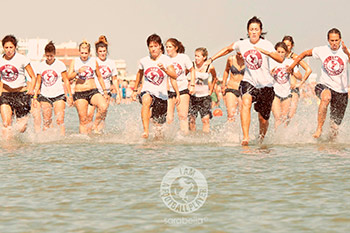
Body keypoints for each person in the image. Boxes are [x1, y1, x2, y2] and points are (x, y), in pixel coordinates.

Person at [205, 16, 283, 145]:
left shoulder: (266, 44)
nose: (253, 32)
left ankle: (261, 139)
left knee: (263, 119)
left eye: (256, 29)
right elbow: (227, 49)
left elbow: (280, 59)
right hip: (249, 81)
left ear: (260, 31)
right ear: (248, 31)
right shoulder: (242, 44)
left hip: (266, 85)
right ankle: (245, 138)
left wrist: (266, 52)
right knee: (246, 101)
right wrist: (212, 59)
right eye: (251, 29)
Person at [287, 28, 350, 139]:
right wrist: (292, 66)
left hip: (341, 91)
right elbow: (304, 54)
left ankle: (331, 147)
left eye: (336, 40)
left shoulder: (346, 51)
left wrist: (347, 53)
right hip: (324, 85)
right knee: (326, 97)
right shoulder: (322, 50)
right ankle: (319, 128)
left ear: (340, 40)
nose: (334, 43)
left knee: (334, 129)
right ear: (328, 40)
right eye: (332, 40)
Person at [132, 34, 179, 139]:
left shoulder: (166, 60)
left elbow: (174, 75)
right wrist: (135, 90)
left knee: (158, 128)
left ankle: (158, 142)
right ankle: (145, 131)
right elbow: (139, 74)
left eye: (155, 46)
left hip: (162, 96)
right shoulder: (144, 61)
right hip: (147, 90)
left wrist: (165, 70)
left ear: (160, 47)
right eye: (151, 46)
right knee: (146, 100)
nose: (153, 49)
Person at [0, 35, 37, 139]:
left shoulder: (22, 59)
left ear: (15, 47)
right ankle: (8, 147)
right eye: (6, 47)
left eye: (11, 47)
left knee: (21, 127)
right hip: (5, 94)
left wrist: (31, 89)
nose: (9, 50)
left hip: (21, 94)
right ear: (3, 48)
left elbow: (33, 76)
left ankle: (15, 139)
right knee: (7, 123)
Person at [67, 40, 108, 134]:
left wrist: (105, 92)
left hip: (93, 90)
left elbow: (99, 77)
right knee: (83, 119)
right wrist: (77, 72)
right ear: (79, 52)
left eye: (86, 53)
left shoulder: (93, 61)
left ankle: (95, 125)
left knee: (103, 106)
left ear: (89, 53)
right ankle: (84, 142)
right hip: (80, 92)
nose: (84, 55)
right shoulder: (75, 61)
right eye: (82, 53)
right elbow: (68, 77)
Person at [261, 42, 302, 128]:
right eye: (278, 52)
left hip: (287, 94)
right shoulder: (270, 61)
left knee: (284, 118)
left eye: (282, 52)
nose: (280, 54)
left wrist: (291, 71)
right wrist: (270, 73)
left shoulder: (290, 62)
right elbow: (263, 75)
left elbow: (300, 77)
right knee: (277, 117)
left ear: (286, 52)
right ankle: (277, 139)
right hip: (275, 93)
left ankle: (283, 139)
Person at [35, 41, 73, 135]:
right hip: (45, 96)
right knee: (47, 121)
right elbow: (38, 82)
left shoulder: (60, 65)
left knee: (60, 120)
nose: (49, 58)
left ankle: (61, 140)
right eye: (47, 55)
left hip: (59, 95)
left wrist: (69, 95)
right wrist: (35, 97)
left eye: (51, 55)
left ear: (54, 54)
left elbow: (66, 81)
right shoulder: (41, 65)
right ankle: (46, 141)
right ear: (45, 54)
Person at [87, 36, 121, 132]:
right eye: (100, 51)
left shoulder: (111, 63)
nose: (102, 53)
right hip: (93, 91)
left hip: (106, 92)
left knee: (102, 115)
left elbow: (114, 79)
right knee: (89, 114)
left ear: (107, 51)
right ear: (97, 52)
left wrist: (118, 93)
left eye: (104, 51)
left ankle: (98, 134)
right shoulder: (93, 61)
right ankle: (89, 133)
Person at [165, 38, 195, 135]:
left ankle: (185, 136)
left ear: (176, 48)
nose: (168, 49)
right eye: (166, 47)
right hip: (169, 90)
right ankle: (170, 137)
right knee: (169, 118)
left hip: (182, 88)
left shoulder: (183, 57)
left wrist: (192, 84)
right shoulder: (164, 59)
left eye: (170, 47)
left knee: (182, 116)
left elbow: (192, 70)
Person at [282, 36, 312, 121]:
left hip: (293, 89)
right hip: (281, 89)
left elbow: (305, 72)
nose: (286, 47)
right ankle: (280, 133)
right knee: (281, 116)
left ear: (292, 46)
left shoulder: (295, 57)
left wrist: (300, 82)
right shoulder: (279, 56)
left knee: (291, 115)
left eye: (288, 45)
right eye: (284, 45)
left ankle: (289, 132)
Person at [189, 47, 217, 133]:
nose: (196, 58)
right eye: (195, 56)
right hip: (193, 96)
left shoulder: (209, 67)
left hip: (204, 96)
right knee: (191, 120)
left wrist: (211, 91)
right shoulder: (191, 65)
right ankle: (192, 137)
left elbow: (214, 77)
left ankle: (205, 138)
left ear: (204, 57)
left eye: (198, 56)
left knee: (205, 120)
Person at [222, 52, 245, 122]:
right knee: (231, 114)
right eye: (238, 54)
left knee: (242, 115)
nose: (240, 56)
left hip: (243, 90)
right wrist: (223, 85)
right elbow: (226, 70)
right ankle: (229, 132)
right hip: (231, 88)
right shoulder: (231, 59)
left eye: (242, 54)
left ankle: (240, 132)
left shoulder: (249, 60)